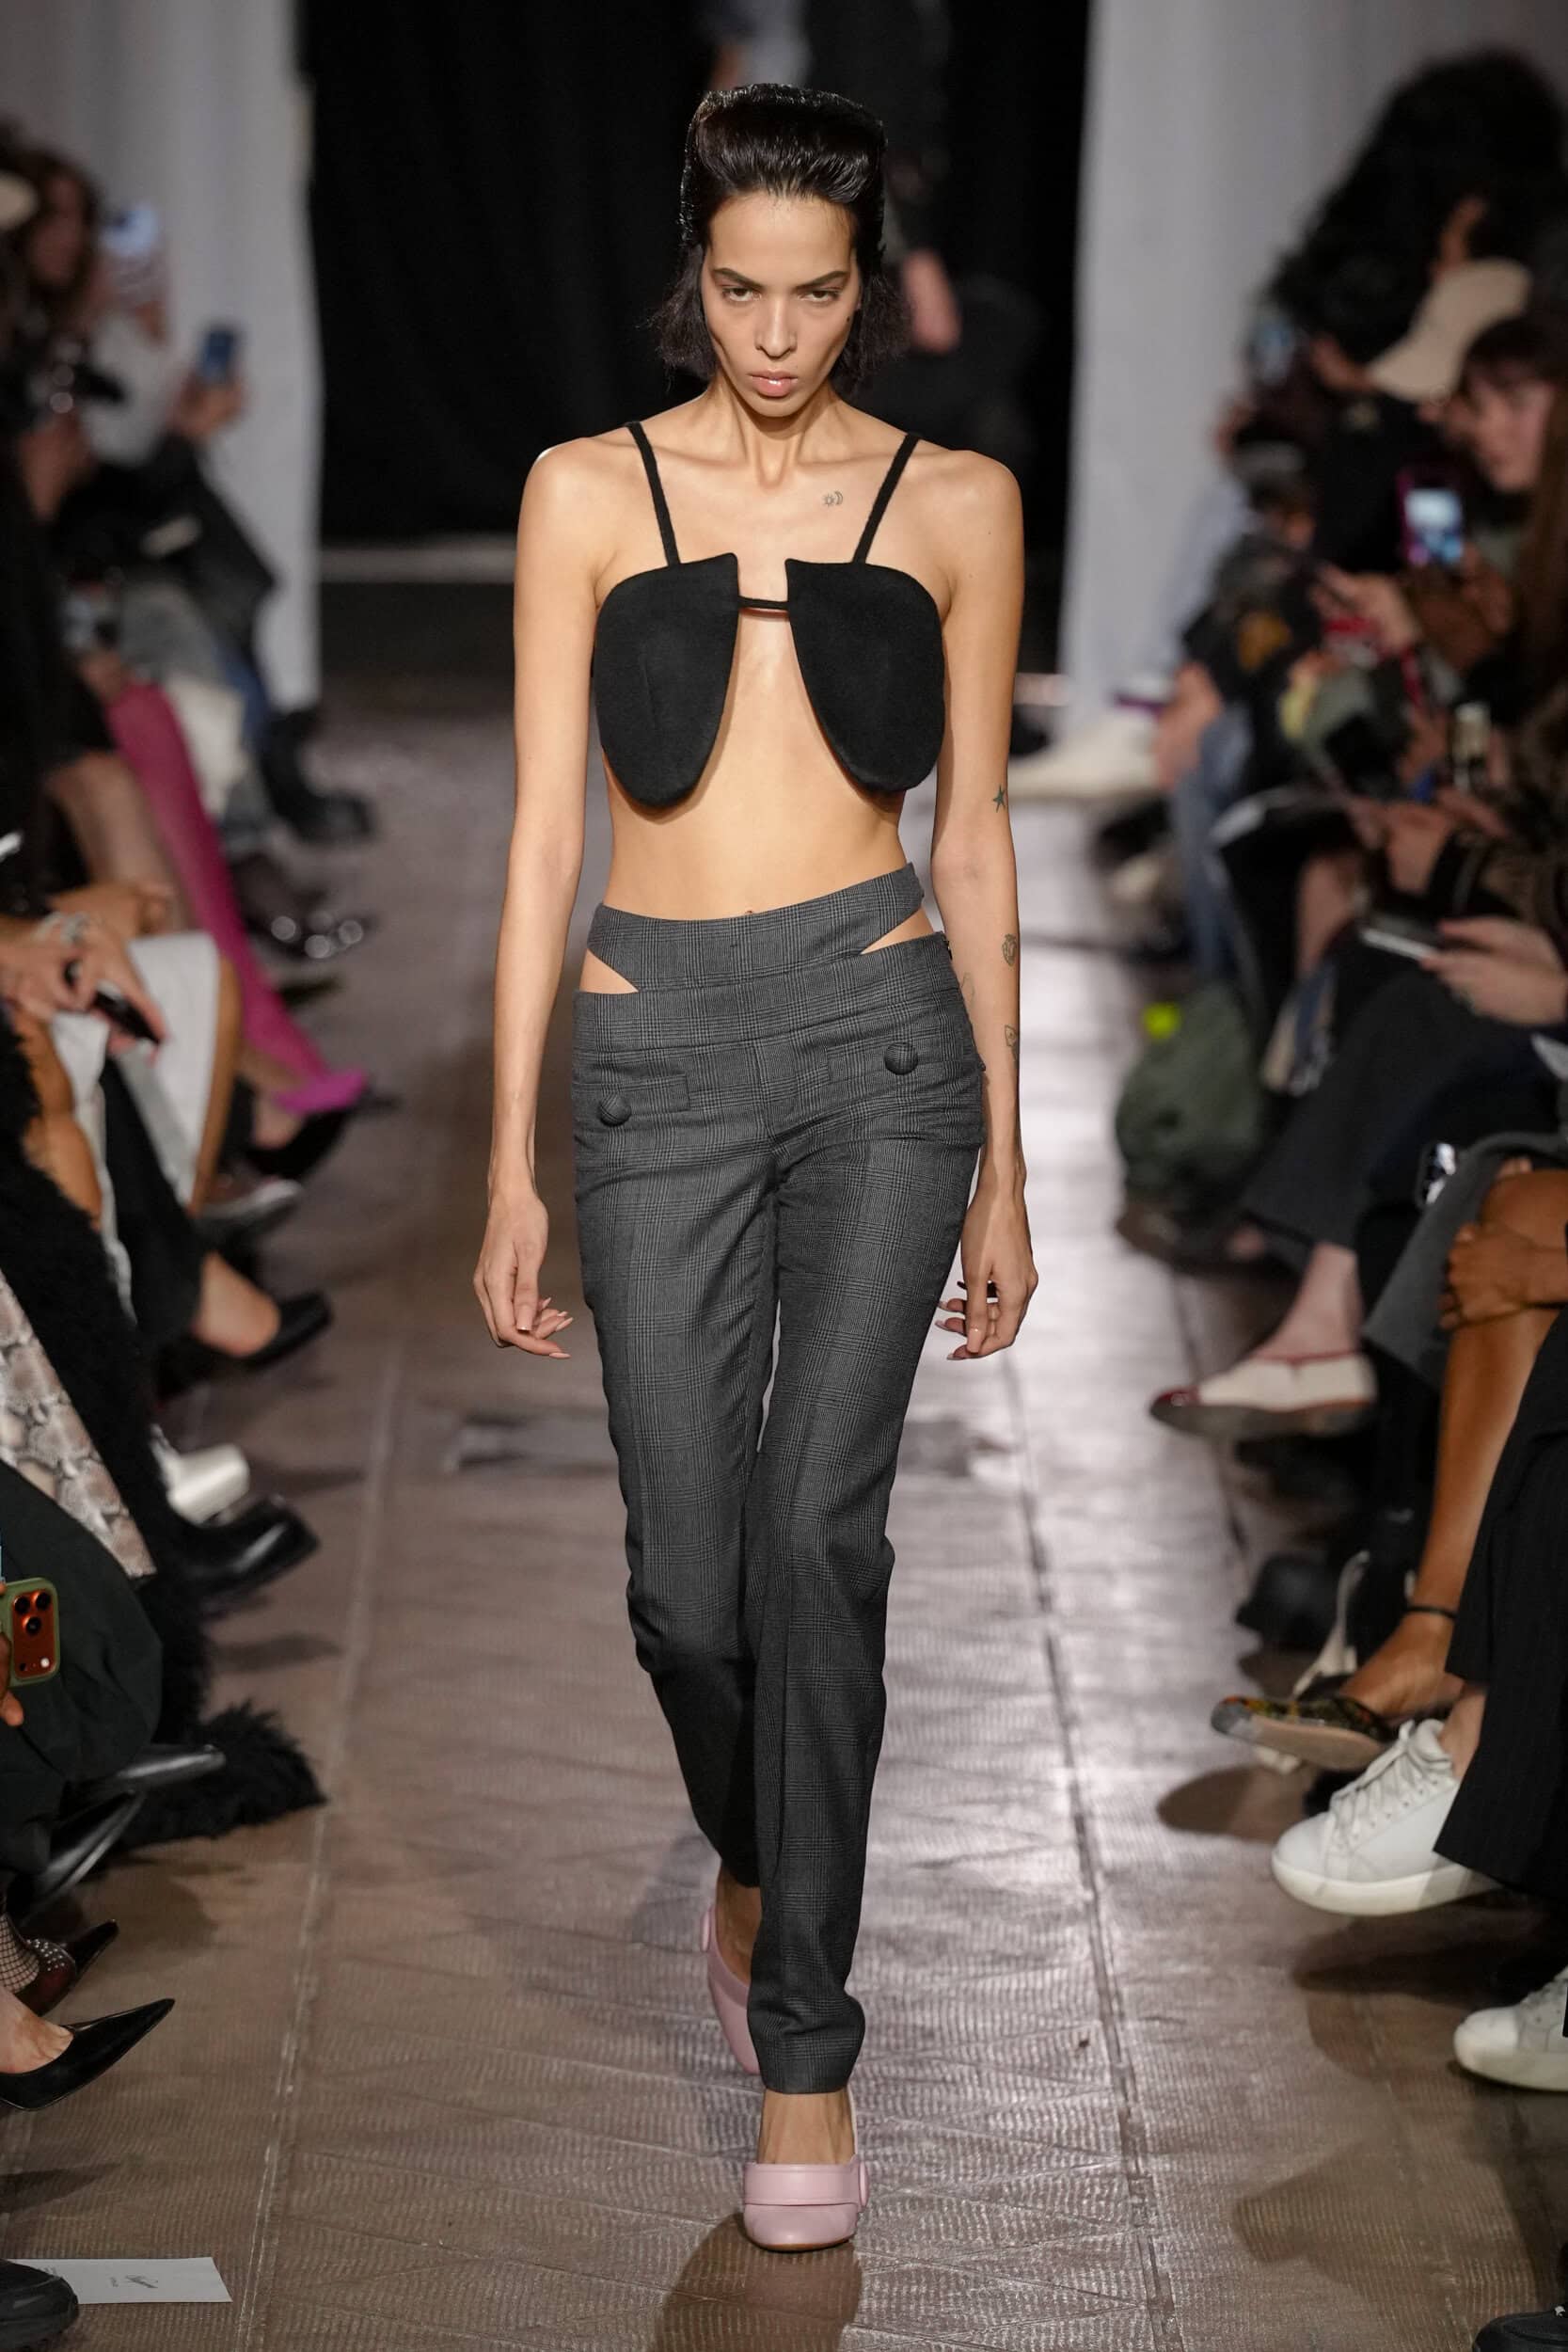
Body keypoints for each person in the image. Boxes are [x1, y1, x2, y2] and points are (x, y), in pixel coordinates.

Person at [475, 81, 1036, 2250]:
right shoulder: (584, 491)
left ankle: (808, 2054)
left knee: (820, 1535)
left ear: (863, 282)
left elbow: (975, 835)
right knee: (684, 1589)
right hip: (654, 1054)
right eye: (739, 291)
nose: (777, 336)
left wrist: (1007, 1165)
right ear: (691, 274)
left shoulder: (958, 500)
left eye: (813, 295)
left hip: (884, 1036)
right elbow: (543, 833)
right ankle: (756, 1850)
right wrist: (513, 1152)